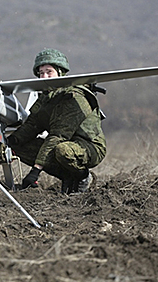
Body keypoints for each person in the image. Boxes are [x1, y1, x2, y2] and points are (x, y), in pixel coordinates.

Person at [7, 48, 106, 194]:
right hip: (60, 142)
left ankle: (83, 176)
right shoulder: (46, 98)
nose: (44, 77)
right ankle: (68, 176)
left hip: (88, 146)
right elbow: (32, 125)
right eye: (41, 73)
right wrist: (10, 142)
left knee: (63, 150)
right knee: (21, 146)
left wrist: (35, 172)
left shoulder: (75, 96)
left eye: (49, 72)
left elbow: (59, 135)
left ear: (60, 73)